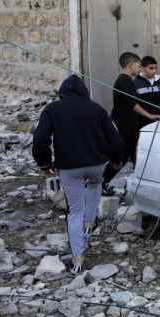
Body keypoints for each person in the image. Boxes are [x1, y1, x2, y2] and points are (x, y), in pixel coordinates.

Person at [33, 75, 125, 274]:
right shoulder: (97, 109)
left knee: (74, 210)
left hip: (69, 167)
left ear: (62, 93)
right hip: (97, 164)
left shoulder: (52, 109)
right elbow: (115, 137)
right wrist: (117, 159)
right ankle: (90, 222)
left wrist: (44, 164)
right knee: (94, 185)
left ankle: (77, 259)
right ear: (85, 92)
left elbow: (40, 139)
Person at [102, 52, 160, 195]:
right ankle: (101, 182)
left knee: (134, 156)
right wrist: (149, 115)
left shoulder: (127, 80)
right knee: (120, 156)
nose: (140, 69)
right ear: (130, 64)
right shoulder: (124, 80)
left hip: (130, 125)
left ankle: (139, 185)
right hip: (124, 126)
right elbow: (132, 104)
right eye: (139, 66)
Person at [133, 55, 160, 129]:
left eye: (155, 68)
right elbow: (134, 103)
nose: (154, 71)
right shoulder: (136, 83)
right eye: (151, 68)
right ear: (143, 68)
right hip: (143, 121)